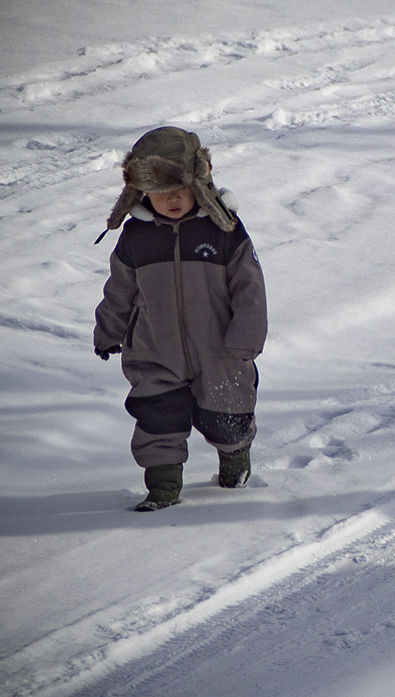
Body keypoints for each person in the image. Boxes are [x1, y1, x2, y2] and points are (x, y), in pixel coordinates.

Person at [94, 127, 268, 511]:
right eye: (158, 191)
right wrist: (108, 331)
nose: (171, 199)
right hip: (155, 350)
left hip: (220, 349)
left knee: (227, 415)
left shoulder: (224, 230)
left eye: (179, 188)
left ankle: (235, 462)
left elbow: (250, 287)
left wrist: (246, 336)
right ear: (141, 192)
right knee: (157, 417)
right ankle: (163, 486)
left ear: (200, 183)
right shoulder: (137, 238)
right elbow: (119, 290)